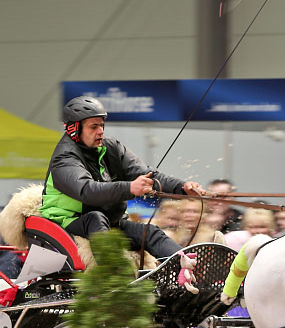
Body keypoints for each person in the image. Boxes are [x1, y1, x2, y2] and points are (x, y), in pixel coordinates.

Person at [40, 96, 203, 259]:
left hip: (108, 222)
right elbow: (87, 191)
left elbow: (149, 175)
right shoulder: (64, 158)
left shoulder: (111, 147)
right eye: (94, 127)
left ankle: (188, 268)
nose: (101, 131)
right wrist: (130, 188)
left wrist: (183, 187)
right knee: (96, 218)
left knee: (150, 233)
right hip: (67, 223)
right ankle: (114, 278)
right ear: (74, 129)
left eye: (102, 125)